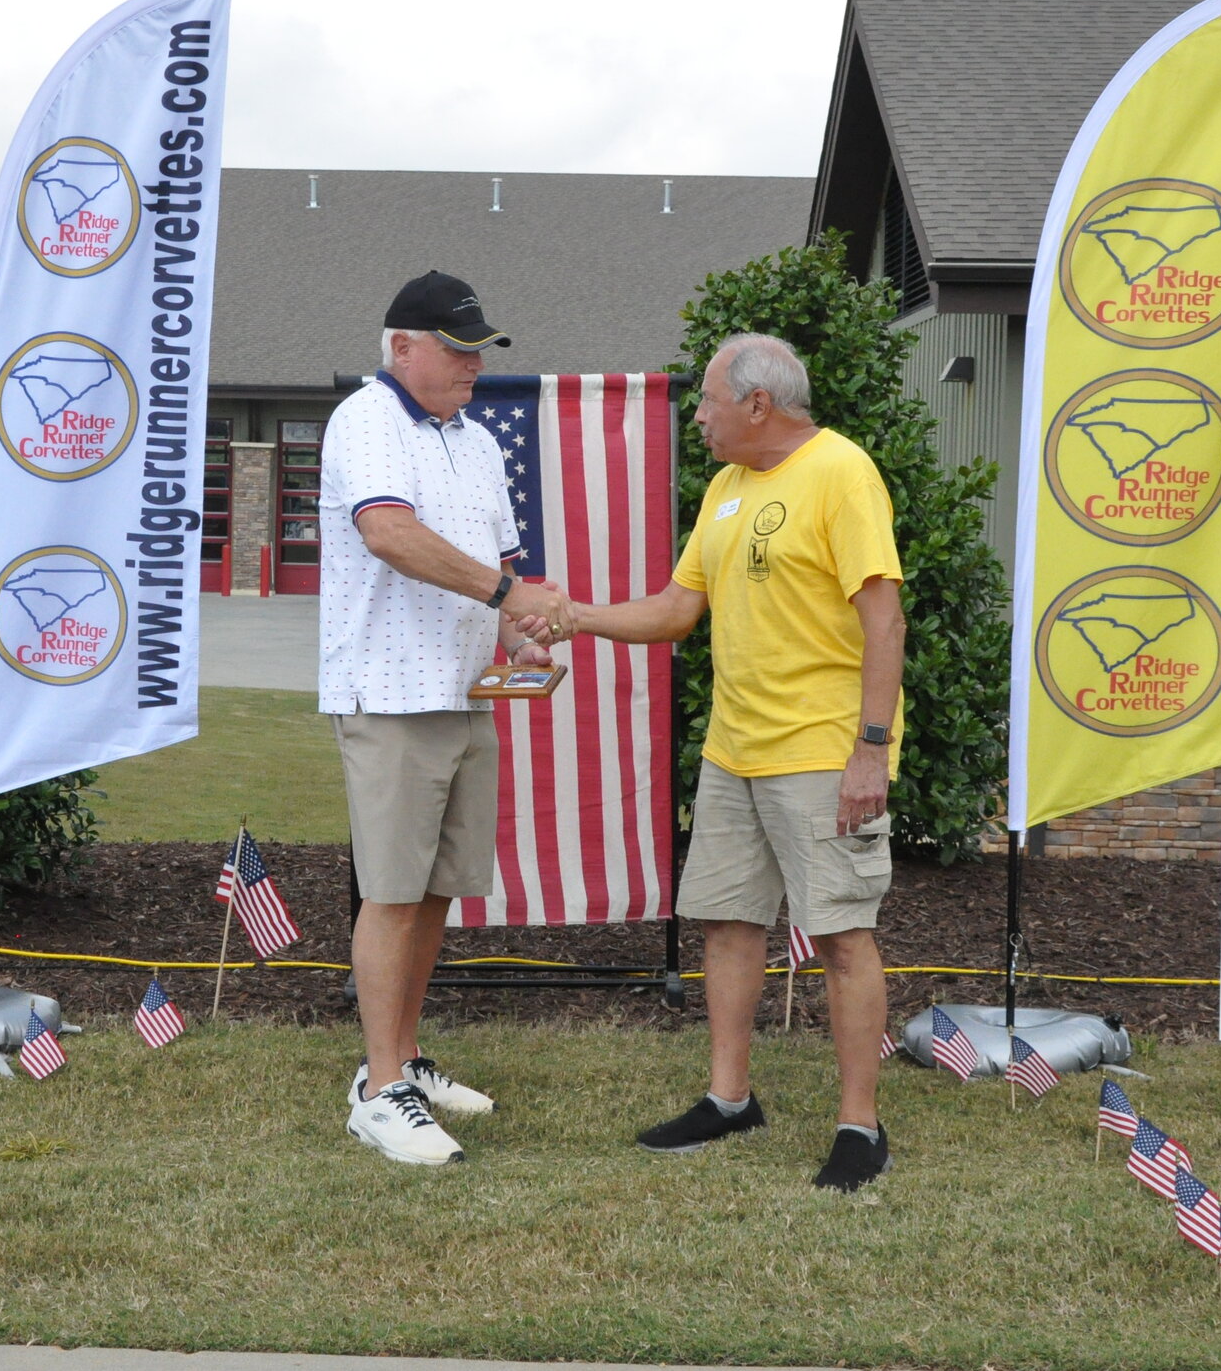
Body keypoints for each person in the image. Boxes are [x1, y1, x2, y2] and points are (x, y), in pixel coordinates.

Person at [561, 332, 906, 1191]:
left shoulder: (842, 472)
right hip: (733, 750)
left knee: (841, 936)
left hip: (822, 752)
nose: (699, 417)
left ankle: (860, 1127)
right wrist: (577, 617)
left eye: (709, 401)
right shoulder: (725, 487)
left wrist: (871, 750)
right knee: (726, 921)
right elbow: (679, 609)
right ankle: (729, 1099)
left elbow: (884, 619)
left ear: (758, 404)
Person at [318, 270, 574, 1166]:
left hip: (465, 692)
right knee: (392, 892)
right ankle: (378, 1091)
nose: (474, 364)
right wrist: (510, 595)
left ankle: (402, 1060)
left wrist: (520, 636)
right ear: (401, 347)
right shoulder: (365, 420)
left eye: (480, 350)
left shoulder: (477, 439)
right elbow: (388, 533)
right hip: (390, 696)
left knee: (433, 891)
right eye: (458, 348)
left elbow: (498, 567)